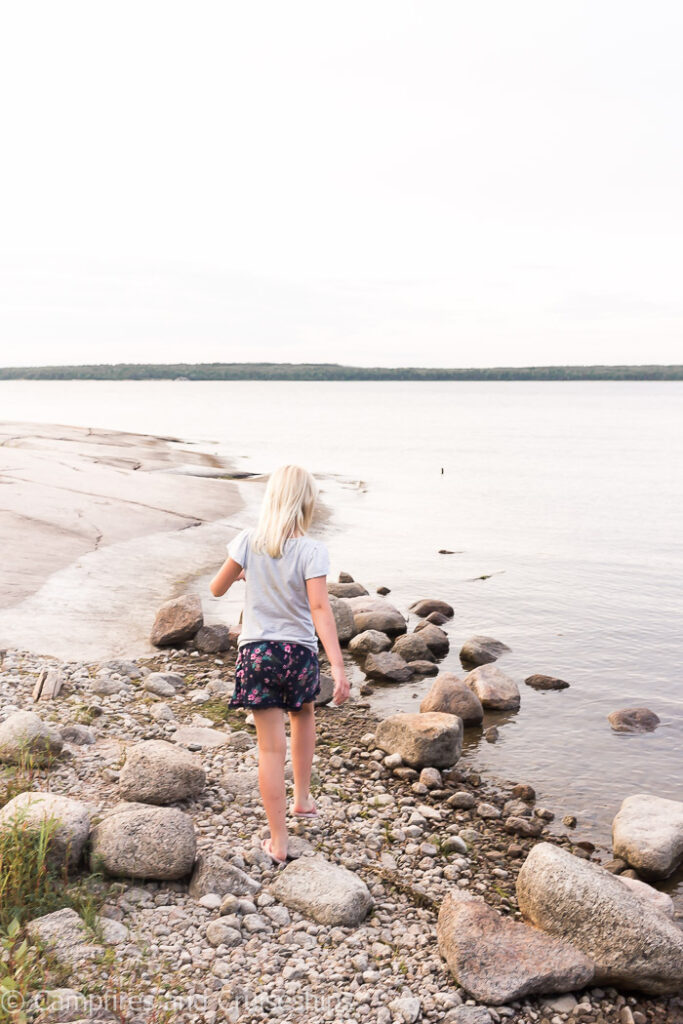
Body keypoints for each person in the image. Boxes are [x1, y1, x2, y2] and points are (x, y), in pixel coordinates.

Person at [209, 464, 351, 864]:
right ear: (306, 503)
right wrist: (338, 669)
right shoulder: (312, 549)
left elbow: (215, 588)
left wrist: (242, 576)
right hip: (299, 654)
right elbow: (320, 607)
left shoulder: (247, 541)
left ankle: (279, 842)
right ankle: (302, 799)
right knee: (303, 714)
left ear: (271, 498)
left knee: (270, 751)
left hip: (257, 653)